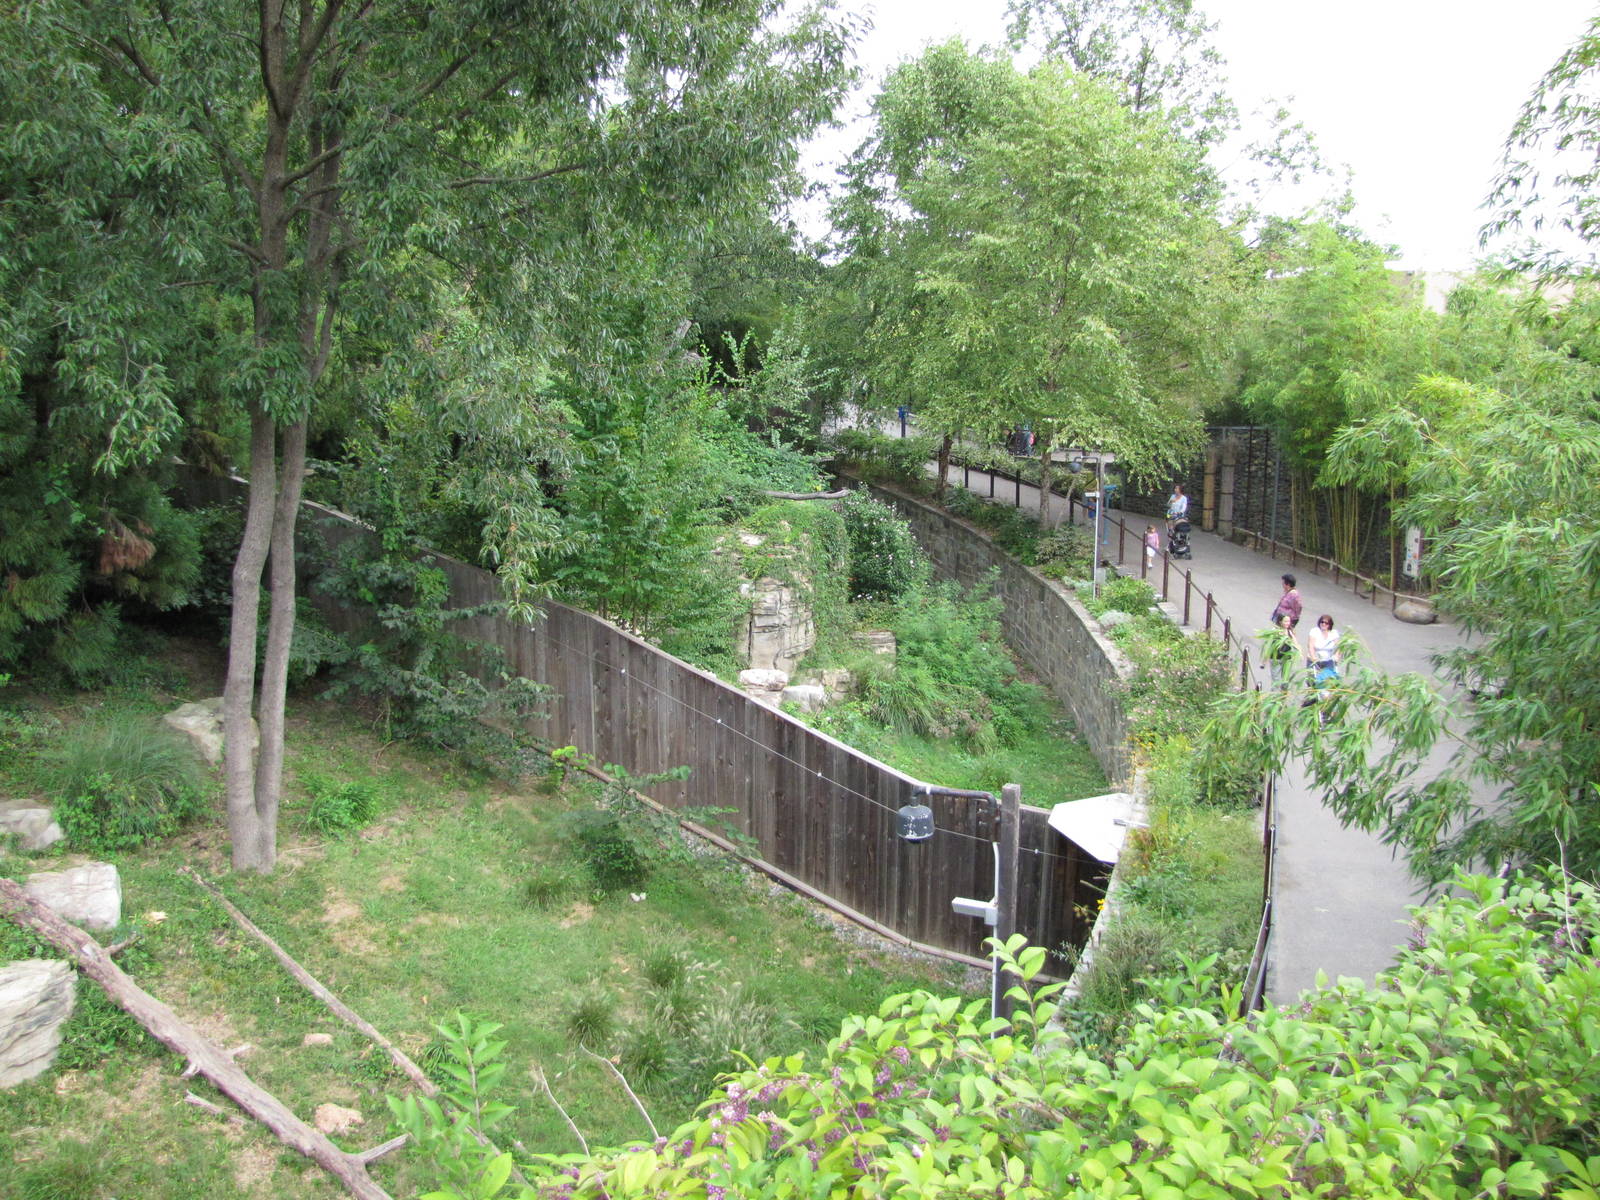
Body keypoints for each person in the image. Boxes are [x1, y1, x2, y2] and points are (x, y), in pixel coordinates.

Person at [1266, 612, 1298, 690]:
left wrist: (1297, 651)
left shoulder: (1290, 632)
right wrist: (1265, 659)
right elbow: (1268, 644)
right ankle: (1273, 699)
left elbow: (1295, 643)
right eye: (1285, 621)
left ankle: (1282, 698)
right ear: (1280, 621)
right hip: (1276, 658)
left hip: (1286, 659)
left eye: (1288, 621)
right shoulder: (1274, 631)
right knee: (1276, 681)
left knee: (1285, 681)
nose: (1287, 623)